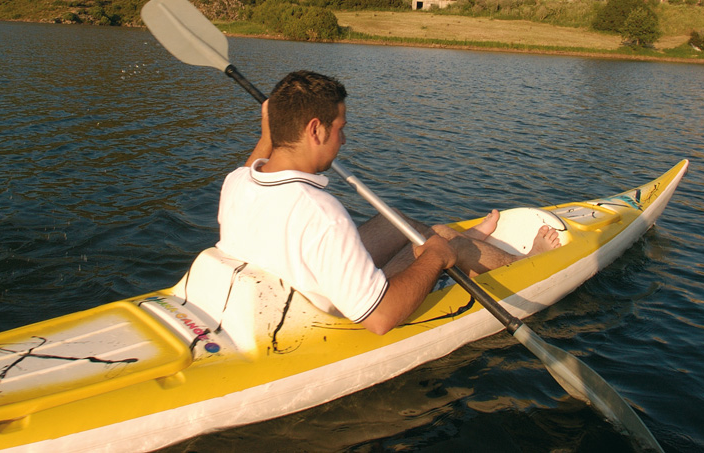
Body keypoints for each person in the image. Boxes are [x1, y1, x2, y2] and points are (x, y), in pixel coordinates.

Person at [216, 70, 560, 335]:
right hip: (330, 311)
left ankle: (467, 240)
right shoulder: (322, 214)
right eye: (340, 129)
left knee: (396, 221)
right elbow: (381, 319)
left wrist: (268, 135)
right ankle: (523, 261)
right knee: (440, 242)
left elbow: (253, 166)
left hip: (284, 284)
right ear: (316, 131)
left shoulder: (237, 181)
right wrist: (437, 258)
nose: (344, 140)